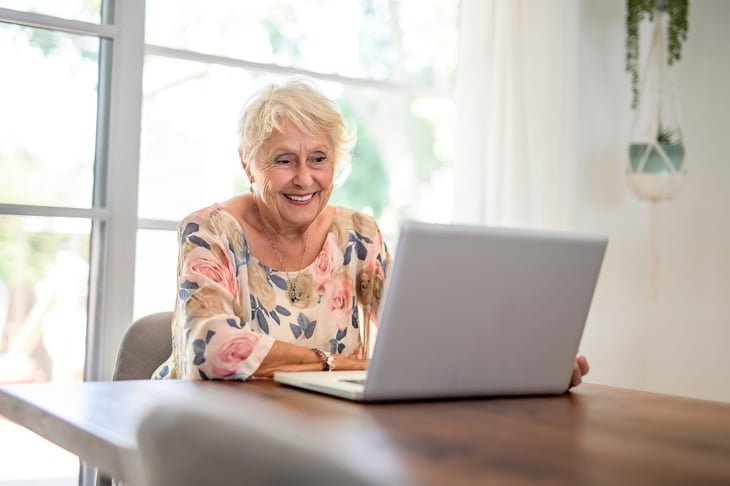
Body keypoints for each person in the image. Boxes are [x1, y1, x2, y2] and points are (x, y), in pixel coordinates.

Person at [152, 78, 590, 386]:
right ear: (249, 164)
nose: (305, 178)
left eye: (319, 159)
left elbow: (426, 335)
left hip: (317, 429)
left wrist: (529, 366)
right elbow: (211, 349)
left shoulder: (358, 235)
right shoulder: (209, 230)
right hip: (200, 427)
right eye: (284, 160)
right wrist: (339, 365)